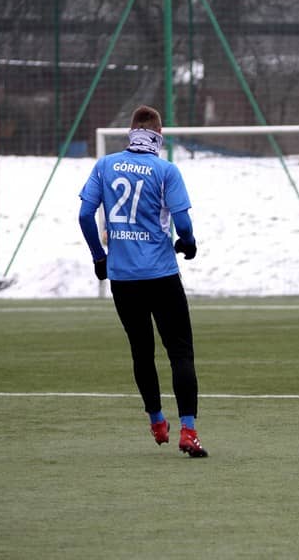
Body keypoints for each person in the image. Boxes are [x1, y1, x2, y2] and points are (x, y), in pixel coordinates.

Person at [78, 105, 207, 458]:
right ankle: (189, 431)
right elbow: (183, 224)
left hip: (123, 278)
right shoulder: (166, 170)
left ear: (131, 133)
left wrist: (99, 257)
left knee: (141, 351)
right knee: (180, 352)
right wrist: (188, 243)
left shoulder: (105, 165)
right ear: (158, 136)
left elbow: (85, 214)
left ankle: (156, 421)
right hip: (161, 274)